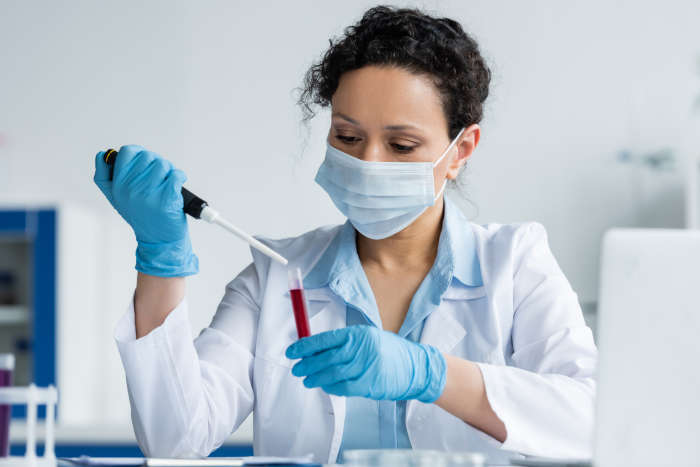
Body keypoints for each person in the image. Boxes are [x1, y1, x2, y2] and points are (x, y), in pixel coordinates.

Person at [93, 6, 597, 465]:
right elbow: (175, 441)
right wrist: (161, 258)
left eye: (401, 145)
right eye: (348, 137)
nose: (368, 162)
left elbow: (590, 423)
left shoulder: (514, 264)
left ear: (462, 150)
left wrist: (432, 374)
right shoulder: (275, 275)